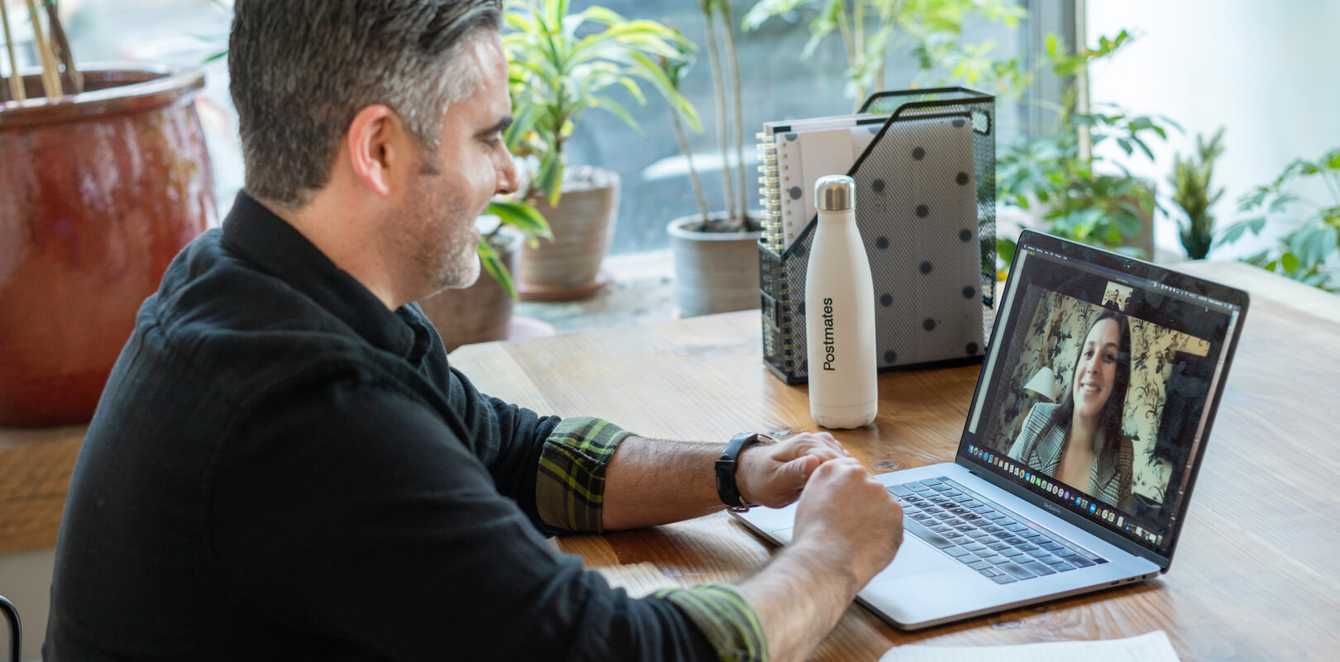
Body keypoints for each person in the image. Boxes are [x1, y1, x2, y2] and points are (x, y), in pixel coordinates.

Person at [43, 2, 903, 661]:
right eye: (488, 137)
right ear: (377, 150)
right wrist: (831, 556)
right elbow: (628, 656)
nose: (511, 171)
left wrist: (737, 470)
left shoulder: (253, 281)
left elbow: (512, 453)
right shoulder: (309, 412)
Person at [1008, 310, 1135, 510]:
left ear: (1119, 377)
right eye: (1088, 353)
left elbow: (1116, 535)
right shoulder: (1038, 417)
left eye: (1109, 357)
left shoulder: (1123, 454)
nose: (1093, 366)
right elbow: (1001, 491)